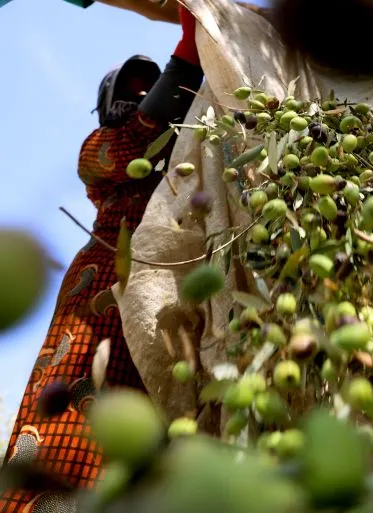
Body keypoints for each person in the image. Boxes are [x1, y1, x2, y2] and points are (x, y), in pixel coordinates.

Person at [0, 4, 204, 511]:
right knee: (76, 412)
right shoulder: (99, 151)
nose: (140, 94)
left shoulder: (192, 170)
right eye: (132, 89)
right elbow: (140, 137)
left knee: (151, 419)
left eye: (147, 85)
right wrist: (190, 47)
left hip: (167, 296)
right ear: (107, 106)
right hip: (102, 292)